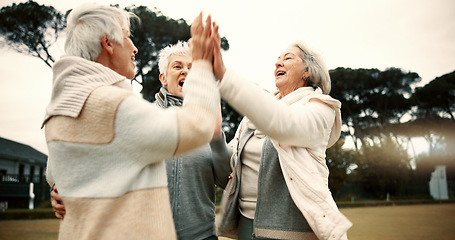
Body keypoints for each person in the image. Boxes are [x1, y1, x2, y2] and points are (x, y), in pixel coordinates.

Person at [43, 3, 220, 239]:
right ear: (107, 43)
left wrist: (59, 188)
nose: (135, 48)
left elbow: (54, 173)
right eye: (127, 37)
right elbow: (197, 128)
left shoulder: (60, 107)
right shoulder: (114, 105)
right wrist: (202, 68)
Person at [201, 28, 353, 239]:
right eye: (277, 59)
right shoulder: (252, 119)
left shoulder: (321, 109)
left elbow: (284, 125)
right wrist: (216, 137)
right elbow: (227, 174)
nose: (277, 63)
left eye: (287, 58)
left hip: (292, 230)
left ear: (308, 71)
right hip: (246, 227)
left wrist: (225, 76)